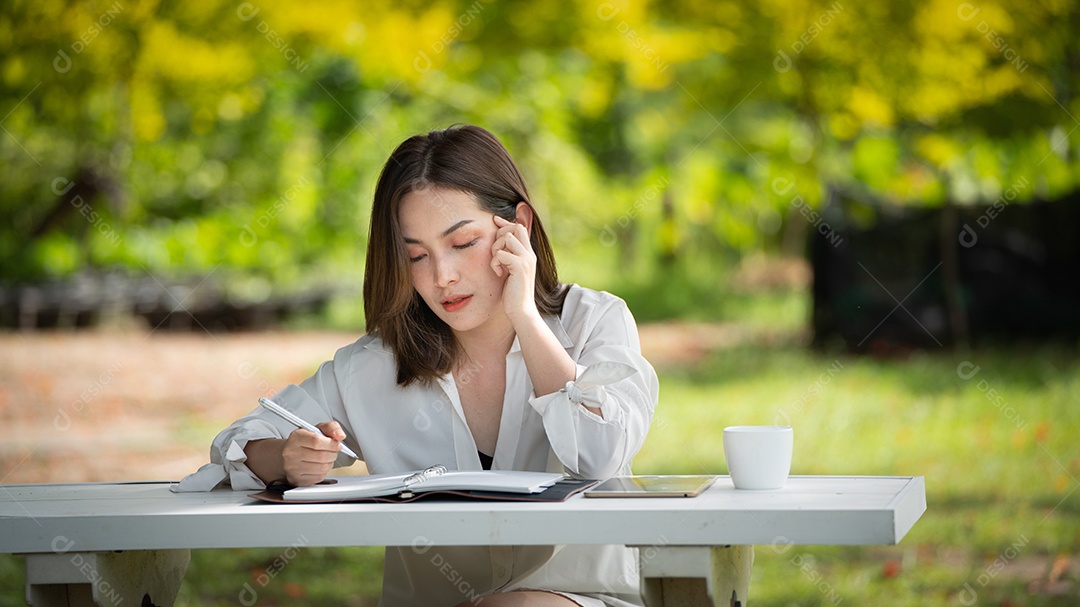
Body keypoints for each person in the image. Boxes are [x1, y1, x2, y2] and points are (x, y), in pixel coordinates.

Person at [187, 124, 659, 606]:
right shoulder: (375, 366)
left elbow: (599, 453)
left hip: (584, 597)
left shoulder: (594, 322)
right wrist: (285, 458)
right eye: (416, 255)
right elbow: (237, 443)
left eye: (463, 243)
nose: (442, 276)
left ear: (518, 225)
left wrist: (525, 316)